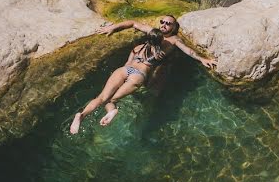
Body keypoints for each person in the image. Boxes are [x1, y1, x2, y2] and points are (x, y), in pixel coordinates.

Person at [68, 15, 216, 133]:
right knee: (111, 99)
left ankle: (82, 115)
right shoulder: (166, 39)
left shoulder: (165, 39)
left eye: (168, 23)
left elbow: (187, 50)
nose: (164, 24)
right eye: (162, 22)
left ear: (174, 27)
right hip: (138, 74)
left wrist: (201, 58)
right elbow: (133, 23)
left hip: (124, 69)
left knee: (102, 98)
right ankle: (111, 112)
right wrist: (113, 27)